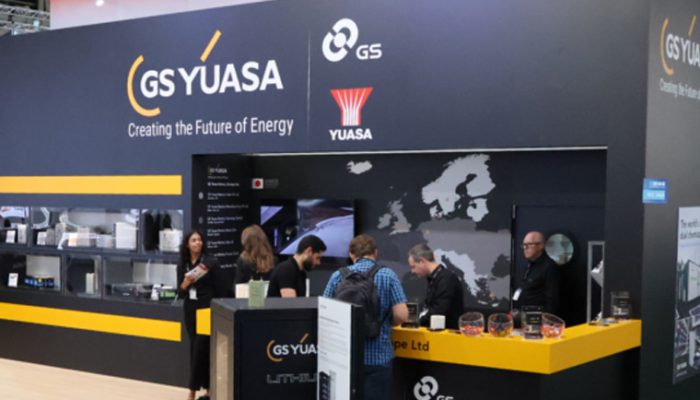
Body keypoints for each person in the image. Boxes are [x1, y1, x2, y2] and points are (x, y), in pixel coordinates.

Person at [323, 234, 408, 400]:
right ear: (375, 252)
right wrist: (384, 322)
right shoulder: (388, 275)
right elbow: (402, 314)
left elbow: (325, 312)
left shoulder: (338, 276)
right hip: (379, 358)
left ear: (351, 254)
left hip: (345, 358)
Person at [177, 230, 229, 400]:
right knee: (194, 347)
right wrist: (185, 283)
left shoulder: (210, 262)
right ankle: (206, 388)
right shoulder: (183, 264)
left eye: (199, 240)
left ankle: (194, 390)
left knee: (201, 347)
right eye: (194, 240)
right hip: (190, 309)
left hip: (205, 308)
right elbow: (181, 293)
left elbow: (221, 287)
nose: (197, 243)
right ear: (187, 244)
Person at [407, 243, 464, 329]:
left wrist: (416, 323)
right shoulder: (435, 278)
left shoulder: (446, 279)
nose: (412, 271)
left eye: (413, 266)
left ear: (422, 261)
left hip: (446, 334)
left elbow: (439, 311)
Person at [515, 231, 560, 314]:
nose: (525, 248)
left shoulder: (549, 266)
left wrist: (547, 318)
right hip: (522, 314)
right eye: (524, 245)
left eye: (529, 244)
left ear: (541, 246)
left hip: (538, 317)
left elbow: (552, 297)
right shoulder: (530, 264)